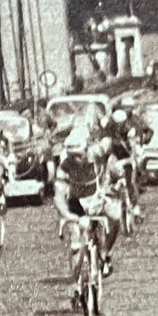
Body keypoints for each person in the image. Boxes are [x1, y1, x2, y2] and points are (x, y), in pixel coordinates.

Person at [54, 124, 125, 293]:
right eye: (72, 156)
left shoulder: (97, 152)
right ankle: (77, 284)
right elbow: (59, 195)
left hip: (96, 197)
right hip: (75, 203)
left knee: (115, 215)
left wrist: (117, 177)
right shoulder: (65, 165)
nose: (75, 160)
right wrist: (68, 216)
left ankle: (104, 252)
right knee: (77, 243)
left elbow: (110, 144)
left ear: (86, 149)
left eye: (78, 155)